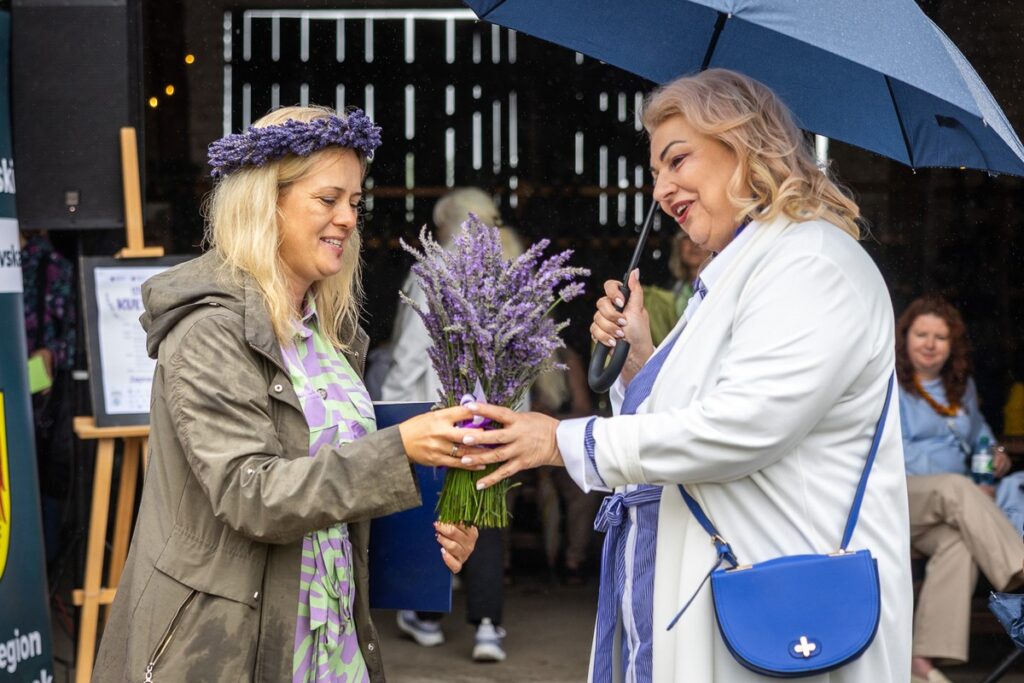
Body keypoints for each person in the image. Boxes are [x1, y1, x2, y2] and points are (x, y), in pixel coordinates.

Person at [455, 68, 914, 682]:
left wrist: (561, 439)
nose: (661, 189)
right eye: (655, 172)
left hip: (783, 612)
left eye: (678, 161)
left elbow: (744, 426)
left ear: (744, 145)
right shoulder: (745, 267)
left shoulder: (811, 263)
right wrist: (643, 361)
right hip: (735, 597)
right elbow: (701, 412)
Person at [93, 105, 480, 682]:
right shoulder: (208, 331)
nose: (348, 218)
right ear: (264, 205)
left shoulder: (328, 333)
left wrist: (434, 533)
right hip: (232, 647)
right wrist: (400, 449)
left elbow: (335, 479)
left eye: (355, 202)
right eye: (328, 200)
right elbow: (251, 493)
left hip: (334, 640)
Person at [386, 198, 518, 663]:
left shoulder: (433, 270)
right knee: (483, 507)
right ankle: (488, 625)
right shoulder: (507, 268)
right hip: (495, 412)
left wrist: (398, 418)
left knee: (437, 512)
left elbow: (408, 349)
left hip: (443, 413)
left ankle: (426, 616)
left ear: (443, 227)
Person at [895, 294, 1024, 683]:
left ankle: (922, 662)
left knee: (958, 543)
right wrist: (968, 486)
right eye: (922, 335)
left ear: (953, 344)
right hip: (900, 496)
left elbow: (983, 440)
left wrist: (996, 455)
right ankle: (1020, 568)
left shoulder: (959, 389)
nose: (930, 344)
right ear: (905, 339)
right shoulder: (888, 386)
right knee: (955, 487)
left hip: (949, 507)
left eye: (940, 336)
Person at [20, 230, 76, 565]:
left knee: (40, 482)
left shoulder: (53, 267)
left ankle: (41, 567)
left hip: (36, 400)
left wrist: (50, 357)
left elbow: (75, 339)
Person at [530, 345, 600, 584]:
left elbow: (583, 411)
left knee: (584, 488)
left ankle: (574, 561)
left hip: (558, 441)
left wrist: (550, 422)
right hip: (516, 448)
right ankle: (502, 566)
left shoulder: (567, 358)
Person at [643, 231, 708, 346]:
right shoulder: (664, 293)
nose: (694, 244)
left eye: (700, 236)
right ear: (677, 247)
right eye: (686, 238)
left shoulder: (720, 285)